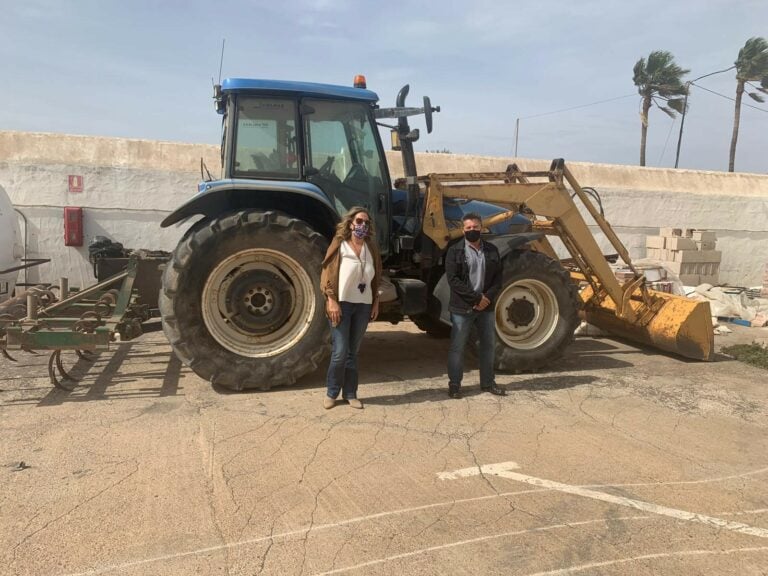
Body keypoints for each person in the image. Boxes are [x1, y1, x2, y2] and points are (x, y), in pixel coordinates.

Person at [320, 206, 382, 409]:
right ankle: (331, 392)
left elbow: (376, 278)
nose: (362, 225)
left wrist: (375, 302)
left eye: (366, 222)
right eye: (359, 221)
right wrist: (331, 300)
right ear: (350, 223)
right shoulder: (340, 245)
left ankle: (350, 393)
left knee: (352, 353)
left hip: (363, 306)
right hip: (341, 304)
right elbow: (327, 274)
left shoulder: (371, 248)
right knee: (339, 351)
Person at [445, 213, 506, 398]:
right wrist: (475, 299)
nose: (472, 230)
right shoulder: (455, 251)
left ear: (482, 228)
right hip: (462, 308)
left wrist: (486, 298)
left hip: (486, 307)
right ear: (463, 230)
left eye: (475, 227)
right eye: (468, 228)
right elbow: (453, 280)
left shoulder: (492, 250)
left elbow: (498, 278)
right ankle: (455, 385)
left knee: (488, 346)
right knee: (458, 347)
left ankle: (488, 383)